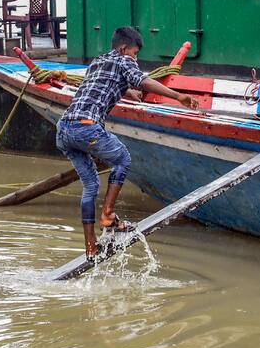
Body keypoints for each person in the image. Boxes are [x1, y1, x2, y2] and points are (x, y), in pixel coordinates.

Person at [56, 26, 199, 259]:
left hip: (63, 130)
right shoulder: (124, 60)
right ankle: (108, 215)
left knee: (91, 186)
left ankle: (91, 245)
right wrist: (178, 96)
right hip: (85, 127)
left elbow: (99, 87)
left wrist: (126, 93)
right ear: (124, 49)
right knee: (122, 159)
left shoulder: (98, 61)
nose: (135, 58)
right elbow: (142, 80)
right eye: (135, 53)